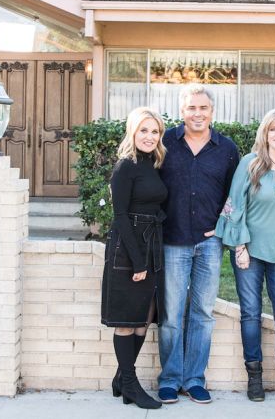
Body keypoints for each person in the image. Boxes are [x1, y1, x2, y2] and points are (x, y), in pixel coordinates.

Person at [216, 109, 275, 402]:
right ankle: (254, 376)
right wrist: (239, 247)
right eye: (273, 129)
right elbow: (234, 205)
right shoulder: (250, 164)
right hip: (250, 253)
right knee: (251, 314)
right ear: (264, 134)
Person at [157, 85, 240, 404]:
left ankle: (194, 379)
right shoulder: (165, 143)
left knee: (203, 312)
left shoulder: (227, 148)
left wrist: (221, 226)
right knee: (172, 313)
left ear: (212, 112)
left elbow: (234, 197)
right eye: (191, 107)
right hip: (173, 241)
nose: (197, 113)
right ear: (182, 111)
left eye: (203, 108)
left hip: (209, 243)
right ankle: (169, 378)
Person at [100, 107, 168, 410]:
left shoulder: (152, 164)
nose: (150, 136)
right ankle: (130, 383)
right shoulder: (125, 167)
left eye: (155, 132)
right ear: (132, 132)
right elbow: (121, 217)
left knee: (144, 317)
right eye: (144, 130)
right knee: (127, 321)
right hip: (128, 250)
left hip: (150, 244)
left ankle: (121, 378)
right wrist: (138, 262)